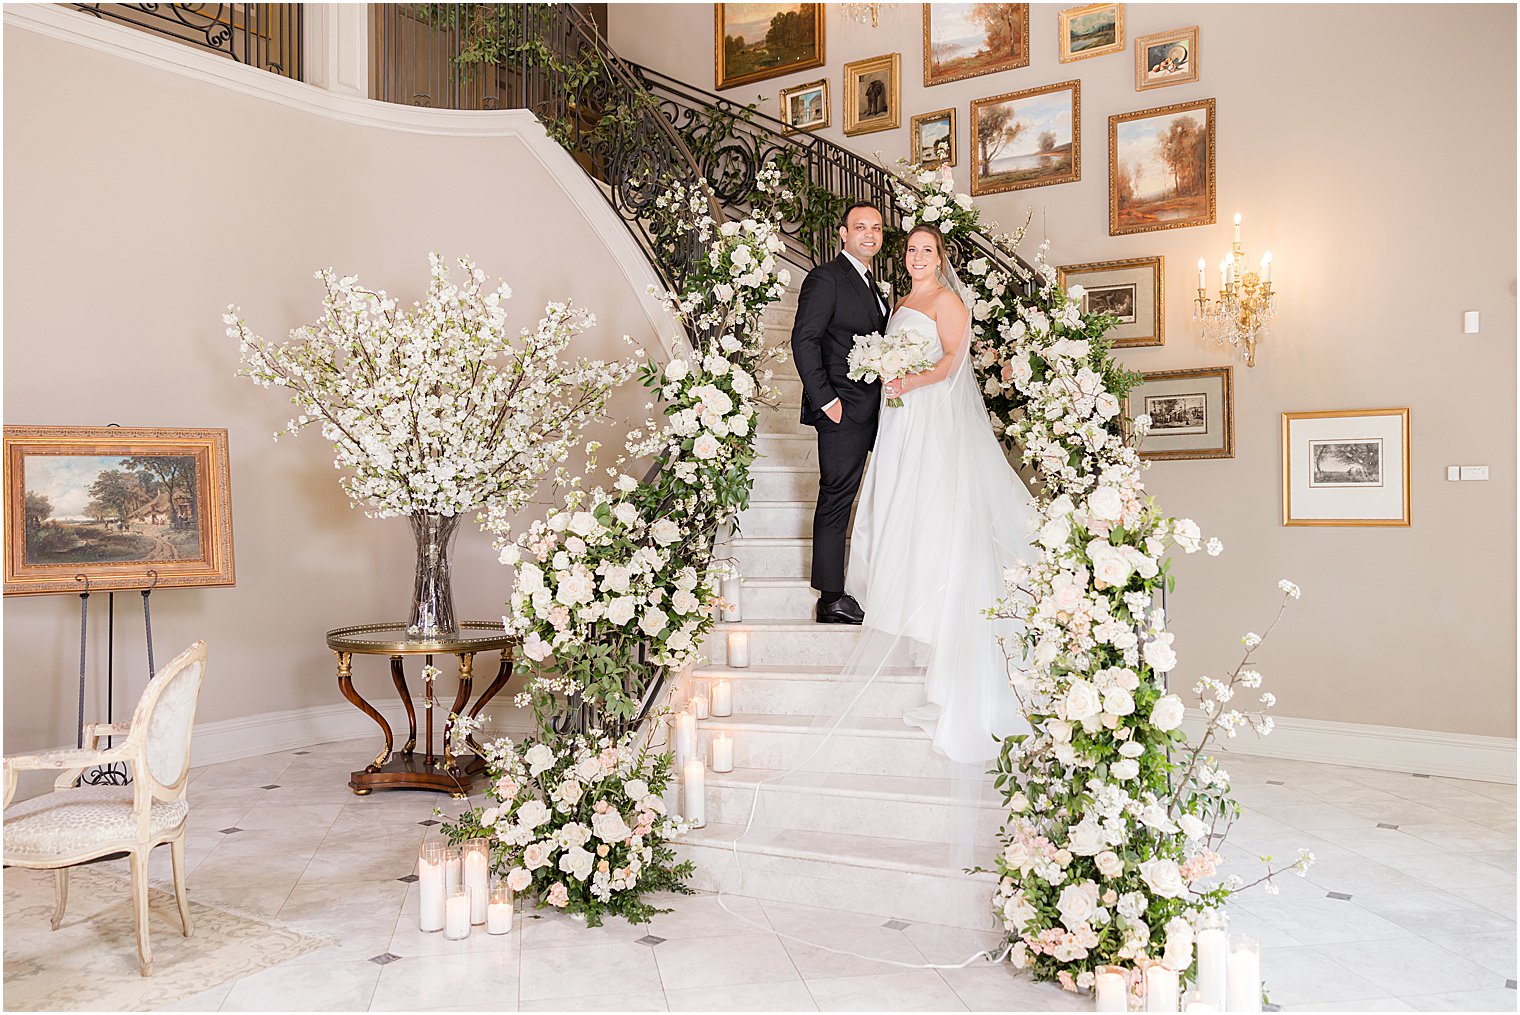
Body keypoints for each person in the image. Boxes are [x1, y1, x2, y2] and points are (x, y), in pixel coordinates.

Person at [845, 223, 1037, 763]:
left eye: (926, 250)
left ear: (940, 256)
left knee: (931, 506)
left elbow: (952, 360)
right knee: (896, 502)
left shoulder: (948, 300)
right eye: (910, 250)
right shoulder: (903, 298)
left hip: (927, 412)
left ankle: (936, 615)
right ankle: (907, 604)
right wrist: (887, 374)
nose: (916, 257)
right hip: (900, 414)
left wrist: (911, 380)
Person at [789, 202, 888, 625]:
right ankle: (830, 597)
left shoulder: (874, 285)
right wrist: (826, 401)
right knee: (836, 499)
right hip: (842, 411)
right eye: (860, 227)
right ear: (842, 234)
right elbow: (804, 340)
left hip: (876, 410)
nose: (869, 234)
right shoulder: (825, 278)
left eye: (877, 228)